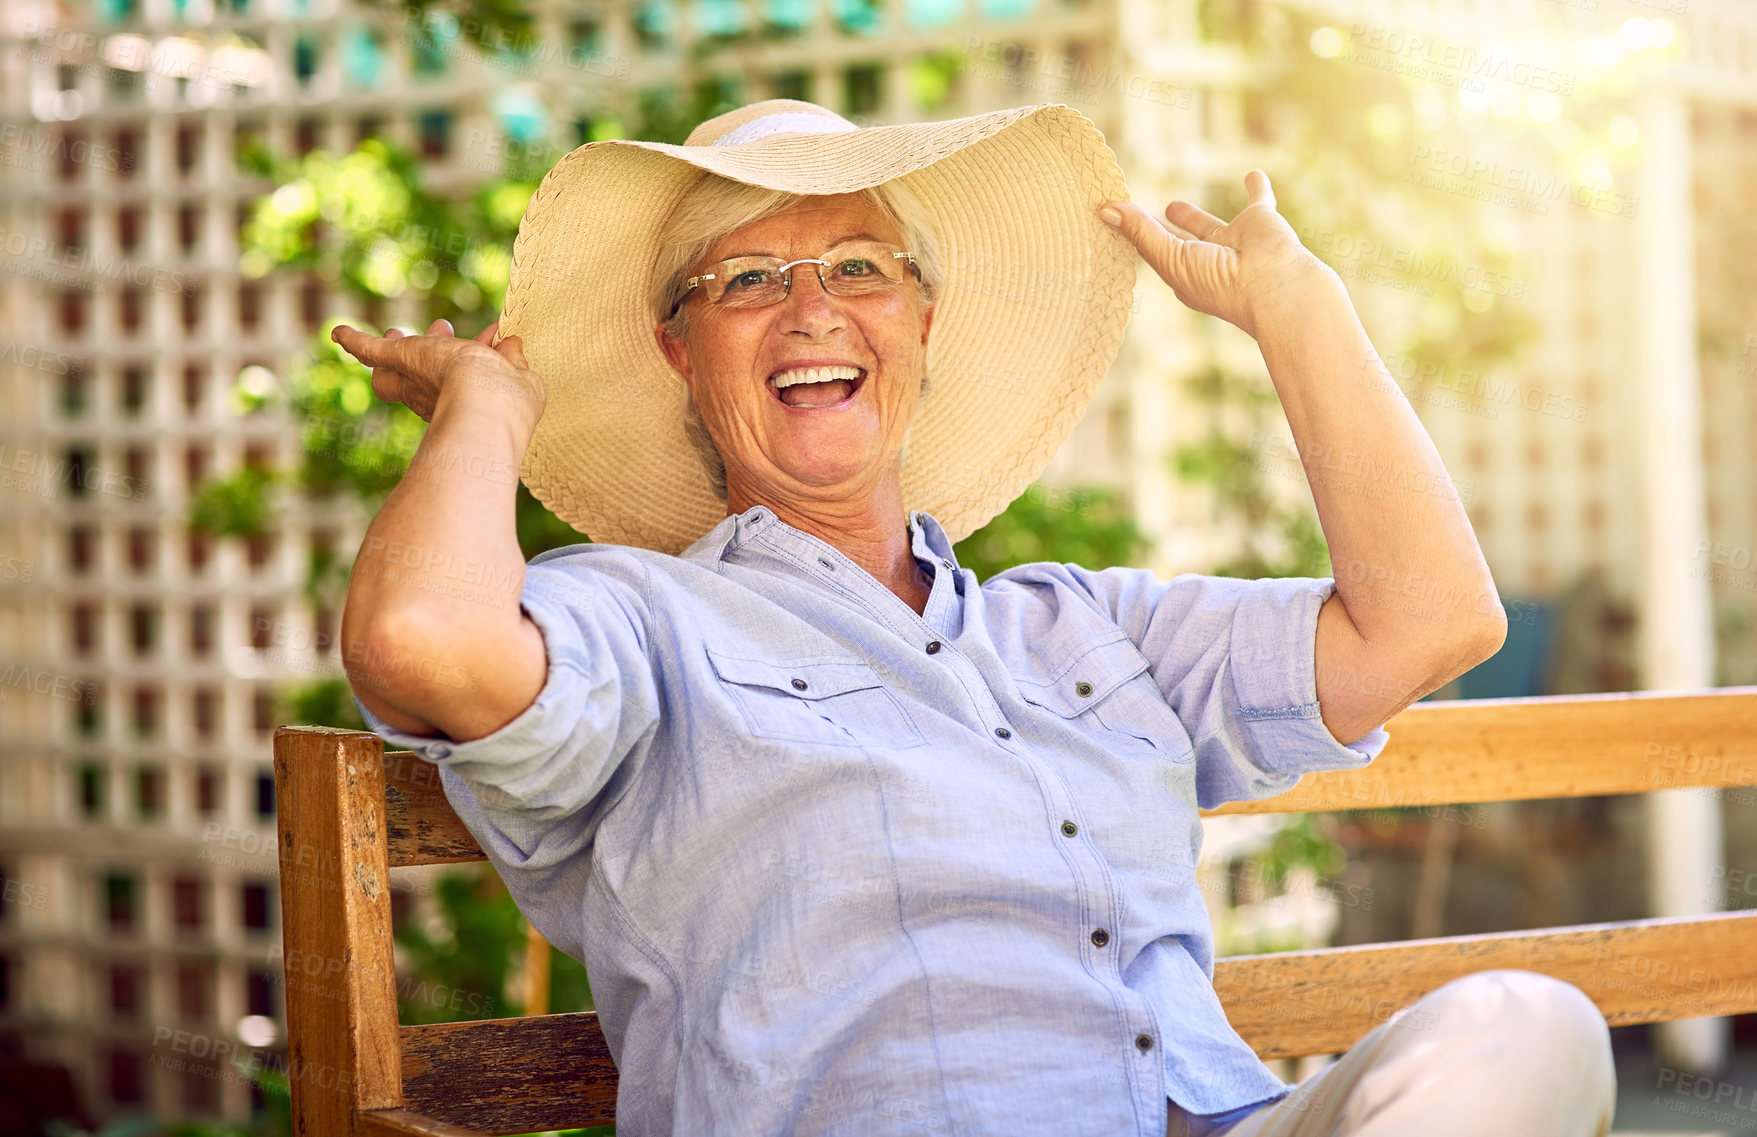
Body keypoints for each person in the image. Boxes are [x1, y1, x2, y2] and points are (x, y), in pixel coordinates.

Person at [331, 99, 1615, 1137]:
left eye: (856, 267)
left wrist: (1297, 310)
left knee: (1520, 1029)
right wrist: (490, 411)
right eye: (747, 280)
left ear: (923, 323)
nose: (812, 306)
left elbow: (1431, 623)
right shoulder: (638, 622)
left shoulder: (1079, 628)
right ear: (681, 351)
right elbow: (418, 643)